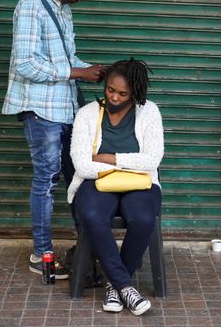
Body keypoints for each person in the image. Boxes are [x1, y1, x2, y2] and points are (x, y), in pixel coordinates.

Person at [2, 0, 107, 279]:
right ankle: (41, 254)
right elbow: (26, 64)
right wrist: (77, 72)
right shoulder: (32, 5)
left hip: (65, 109)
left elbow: (67, 57)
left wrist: (93, 70)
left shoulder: (62, 9)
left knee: (77, 178)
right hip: (41, 111)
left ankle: (88, 247)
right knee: (46, 182)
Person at [68, 59, 163, 316]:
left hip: (140, 184)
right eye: (110, 89)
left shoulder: (149, 112)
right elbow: (81, 165)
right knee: (91, 215)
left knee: (143, 218)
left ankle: (114, 285)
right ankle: (124, 286)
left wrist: (110, 159)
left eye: (123, 93)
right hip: (96, 183)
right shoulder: (87, 114)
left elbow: (152, 160)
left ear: (135, 93)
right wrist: (130, 164)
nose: (114, 97)